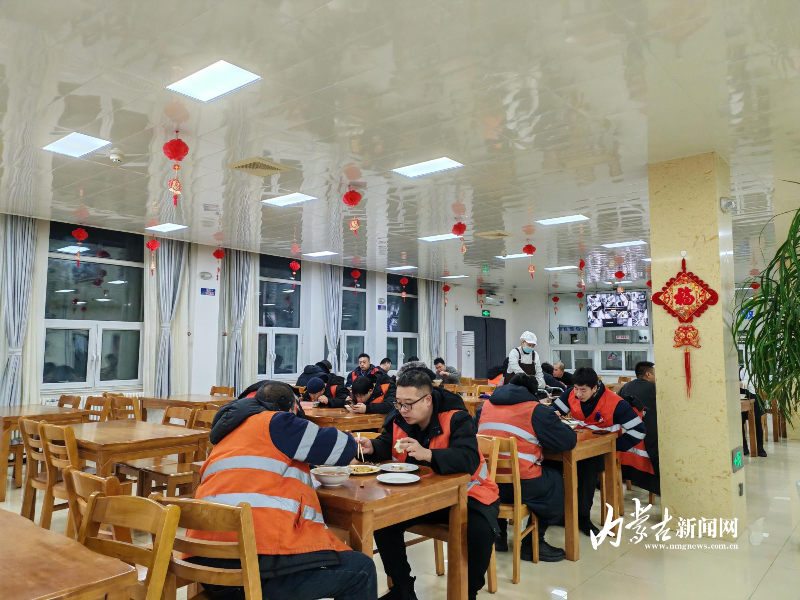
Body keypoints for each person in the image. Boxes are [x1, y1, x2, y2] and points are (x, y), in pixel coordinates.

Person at [187, 381, 377, 600]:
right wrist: (355, 442)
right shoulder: (278, 422)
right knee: (361, 571)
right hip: (252, 570)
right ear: (291, 408)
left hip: (206, 567)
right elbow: (340, 448)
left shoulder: (228, 433)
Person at [357, 370, 499, 600]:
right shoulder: (399, 417)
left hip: (468, 495)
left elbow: (469, 459)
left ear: (427, 400)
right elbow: (387, 442)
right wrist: (373, 447)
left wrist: (428, 454)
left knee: (480, 531)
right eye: (398, 403)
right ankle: (403, 589)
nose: (402, 409)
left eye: (408, 404)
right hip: (421, 497)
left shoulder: (456, 417)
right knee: (382, 521)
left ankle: (467, 592)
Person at [477, 374, 576, 562]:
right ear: (533, 393)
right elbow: (568, 441)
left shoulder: (484, 407)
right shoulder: (535, 410)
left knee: (501, 479)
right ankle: (533, 544)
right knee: (555, 480)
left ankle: (499, 536)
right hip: (521, 484)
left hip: (487, 482)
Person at [551, 367, 646, 536]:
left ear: (595, 387)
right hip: (577, 446)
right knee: (550, 463)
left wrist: (613, 446)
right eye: (576, 389)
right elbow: (552, 411)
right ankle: (557, 513)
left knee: (587, 468)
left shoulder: (616, 404)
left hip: (603, 452)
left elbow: (639, 430)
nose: (578, 394)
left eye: (583, 390)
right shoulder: (570, 394)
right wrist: (552, 416)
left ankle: (582, 517)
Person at [618, 362, 658, 493]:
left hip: (628, 441)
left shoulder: (626, 387)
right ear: (648, 374)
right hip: (650, 440)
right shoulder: (654, 388)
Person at [740, 364, 767, 457]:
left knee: (757, 423)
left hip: (752, 400)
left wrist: (739, 383)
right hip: (739, 402)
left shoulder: (744, 371)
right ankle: (744, 448)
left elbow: (750, 383)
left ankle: (760, 448)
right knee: (738, 424)